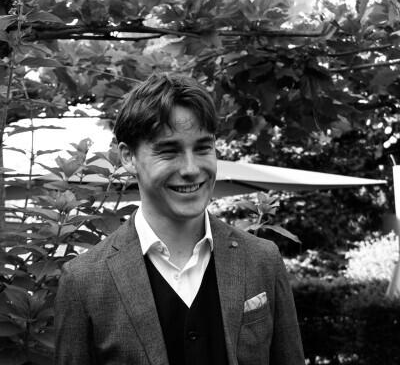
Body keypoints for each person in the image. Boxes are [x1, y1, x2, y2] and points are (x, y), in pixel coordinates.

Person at [54, 72, 305, 365]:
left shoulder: (263, 259)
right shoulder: (84, 281)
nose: (191, 169)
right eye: (169, 151)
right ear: (128, 157)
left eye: (203, 148)